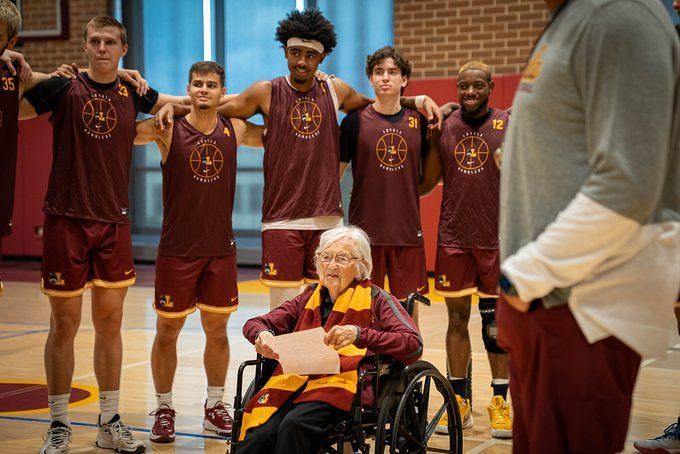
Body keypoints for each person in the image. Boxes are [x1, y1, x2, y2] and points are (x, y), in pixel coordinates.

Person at [156, 9, 441, 310]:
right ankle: (279, 360)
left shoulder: (335, 89)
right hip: (282, 220)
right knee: (283, 313)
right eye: (295, 53)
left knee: (328, 312)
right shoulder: (265, 92)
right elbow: (214, 105)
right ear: (285, 52)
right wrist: (175, 108)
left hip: (327, 220)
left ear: (322, 58)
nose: (301, 61)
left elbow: (379, 103)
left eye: (309, 55)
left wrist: (415, 100)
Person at [495, 0, 680, 452]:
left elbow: (627, 186)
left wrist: (523, 278)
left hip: (578, 308)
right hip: (548, 305)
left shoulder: (620, 15)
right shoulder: (576, 14)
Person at [20, 15, 187, 454]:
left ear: (123, 49)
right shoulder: (63, 87)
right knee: (64, 324)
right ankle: (58, 424)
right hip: (65, 220)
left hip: (114, 221)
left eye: (109, 42)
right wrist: (19, 65)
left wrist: (170, 104)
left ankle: (110, 421)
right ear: (86, 46)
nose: (101, 48)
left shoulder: (135, 92)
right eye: (94, 41)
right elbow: (14, 103)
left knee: (110, 323)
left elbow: (191, 103)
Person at [134, 61, 264, 443]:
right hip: (177, 249)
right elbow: (120, 134)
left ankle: (214, 406)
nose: (203, 90)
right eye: (197, 84)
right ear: (188, 88)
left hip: (219, 250)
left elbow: (279, 128)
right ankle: (163, 407)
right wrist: (164, 107)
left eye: (211, 85)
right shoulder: (167, 127)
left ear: (223, 92)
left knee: (217, 330)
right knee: (167, 330)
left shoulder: (235, 129)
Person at [236, 225, 422, 453]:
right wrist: (262, 335)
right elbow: (254, 323)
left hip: (344, 385)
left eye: (342, 258)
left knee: (295, 426)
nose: (331, 265)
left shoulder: (377, 299)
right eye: (325, 257)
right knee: (260, 433)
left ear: (361, 265)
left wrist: (360, 334)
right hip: (298, 379)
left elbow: (413, 343)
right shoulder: (308, 297)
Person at [419, 60, 511, 438]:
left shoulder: (509, 124)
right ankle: (459, 401)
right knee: (457, 322)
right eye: (463, 87)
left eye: (478, 86)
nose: (470, 93)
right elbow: (426, 185)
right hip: (454, 239)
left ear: (490, 87)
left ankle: (501, 402)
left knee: (495, 328)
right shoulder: (445, 127)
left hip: (495, 240)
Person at [338, 46, 429, 324]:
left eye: (392, 72)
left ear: (404, 80)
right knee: (364, 306)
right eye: (379, 72)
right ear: (371, 79)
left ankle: (409, 362)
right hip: (366, 234)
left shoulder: (420, 123)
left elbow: (427, 177)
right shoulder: (354, 122)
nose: (385, 77)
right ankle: (367, 363)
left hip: (406, 230)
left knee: (408, 309)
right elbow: (335, 176)